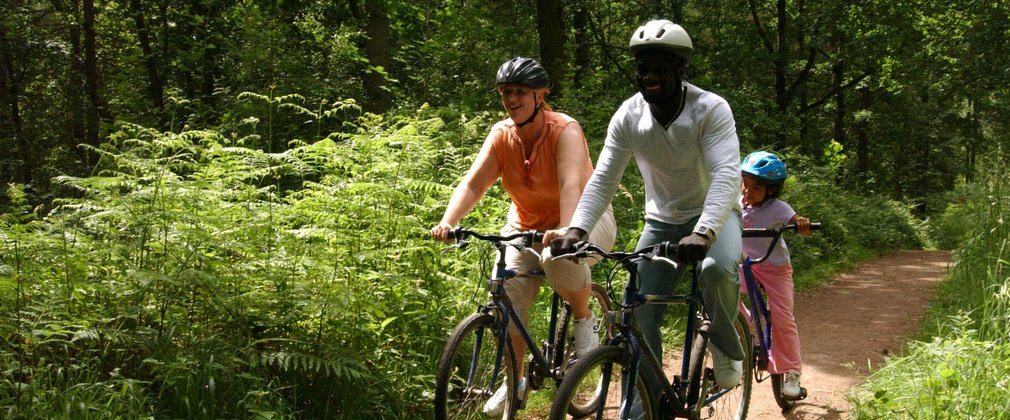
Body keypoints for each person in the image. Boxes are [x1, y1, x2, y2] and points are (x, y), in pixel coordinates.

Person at [553, 19, 746, 392]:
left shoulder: (710, 109)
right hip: (662, 219)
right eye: (642, 68)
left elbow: (726, 175)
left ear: (680, 67)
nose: (648, 76)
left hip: (714, 216)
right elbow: (604, 178)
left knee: (717, 270)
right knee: (637, 308)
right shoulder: (629, 116)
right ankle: (648, 403)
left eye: (658, 66)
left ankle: (724, 344)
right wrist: (576, 229)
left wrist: (704, 231)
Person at [430, 56, 617, 416]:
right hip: (526, 224)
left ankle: (583, 317)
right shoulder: (502, 135)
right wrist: (448, 221)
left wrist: (565, 230)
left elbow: (571, 184)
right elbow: (473, 183)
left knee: (559, 260)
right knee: (507, 291)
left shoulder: (565, 130)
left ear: (539, 95)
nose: (511, 99)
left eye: (519, 92)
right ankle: (513, 380)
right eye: (505, 92)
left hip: (584, 217)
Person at [738, 151, 811, 398]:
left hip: (774, 269)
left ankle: (791, 372)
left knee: (782, 318)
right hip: (746, 265)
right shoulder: (737, 203)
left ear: (771, 190)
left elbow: (797, 221)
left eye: (756, 188)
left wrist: (801, 224)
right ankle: (746, 325)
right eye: (745, 184)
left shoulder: (778, 208)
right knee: (720, 293)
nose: (747, 191)